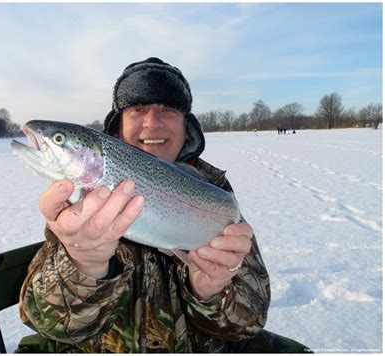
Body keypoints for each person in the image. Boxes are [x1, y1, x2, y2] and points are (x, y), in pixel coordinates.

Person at [18, 57, 311, 353]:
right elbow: (46, 322)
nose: (151, 122)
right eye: (137, 109)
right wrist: (85, 263)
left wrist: (211, 292)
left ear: (187, 128)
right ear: (118, 127)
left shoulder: (215, 196)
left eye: (167, 110)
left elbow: (251, 320)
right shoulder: (77, 207)